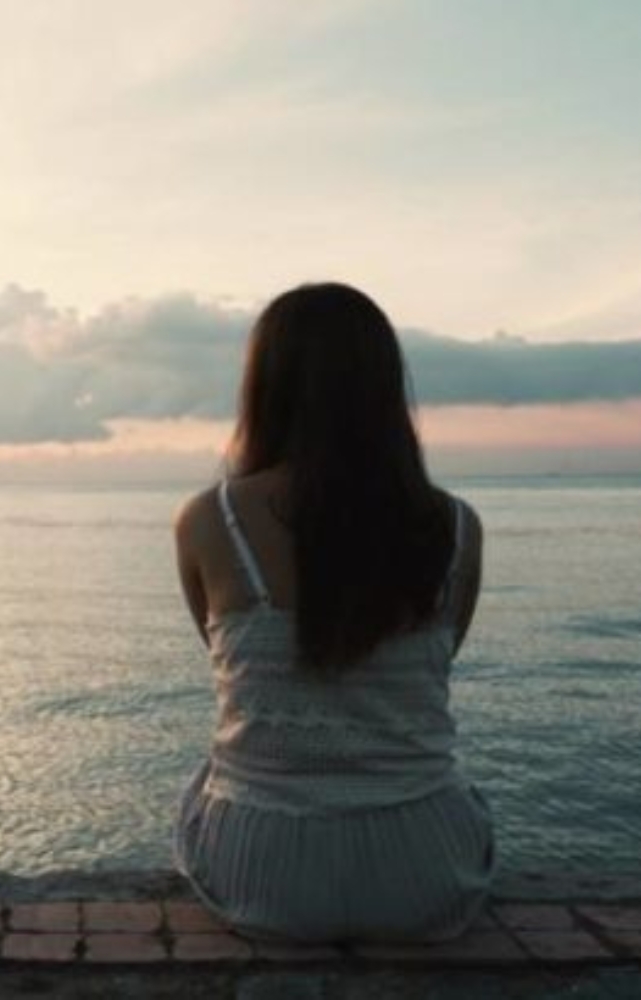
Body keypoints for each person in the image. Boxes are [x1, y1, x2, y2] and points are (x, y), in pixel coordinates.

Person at [170, 282, 494, 943]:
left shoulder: (211, 520)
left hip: (265, 872)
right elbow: (440, 660)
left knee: (207, 783)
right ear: (384, 389)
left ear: (264, 385)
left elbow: (223, 657)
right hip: (425, 870)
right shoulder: (457, 527)